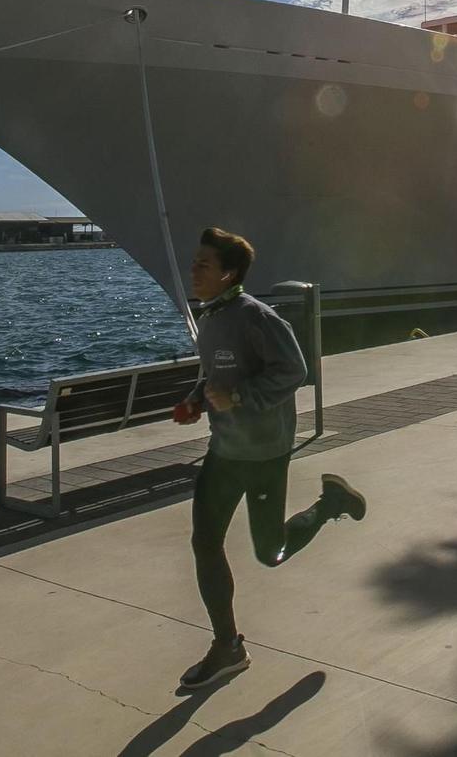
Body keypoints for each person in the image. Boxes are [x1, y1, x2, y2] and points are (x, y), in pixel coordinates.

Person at [173, 226, 367, 690]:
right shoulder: (212, 315)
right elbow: (219, 372)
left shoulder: (257, 317)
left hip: (263, 451)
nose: (193, 270)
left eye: (203, 264)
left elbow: (295, 370)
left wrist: (238, 397)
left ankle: (329, 504)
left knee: (270, 551)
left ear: (230, 273)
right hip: (224, 449)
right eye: (194, 262)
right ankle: (227, 647)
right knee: (205, 542)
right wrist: (198, 398)